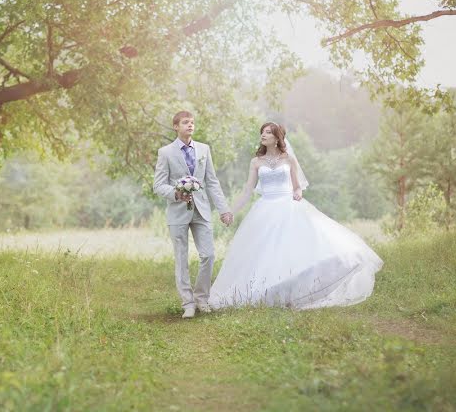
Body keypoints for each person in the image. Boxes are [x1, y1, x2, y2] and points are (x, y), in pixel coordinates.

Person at [209, 122, 383, 310]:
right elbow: (246, 191)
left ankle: (295, 292)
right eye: (262, 132)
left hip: (288, 206)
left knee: (293, 250)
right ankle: (271, 292)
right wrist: (230, 212)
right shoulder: (256, 162)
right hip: (265, 209)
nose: (263, 135)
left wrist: (298, 192)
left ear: (277, 138)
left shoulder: (288, 159)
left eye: (268, 132)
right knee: (266, 253)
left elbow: (297, 185)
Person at [153, 111, 232, 318]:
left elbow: (212, 182)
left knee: (209, 255)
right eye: (185, 122)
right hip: (177, 212)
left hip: (202, 210)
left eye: (192, 122)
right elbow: (158, 185)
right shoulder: (166, 152)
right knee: (181, 258)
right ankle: (187, 303)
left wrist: (223, 209)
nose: (190, 125)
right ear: (176, 127)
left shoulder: (204, 150)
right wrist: (176, 194)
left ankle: (201, 298)